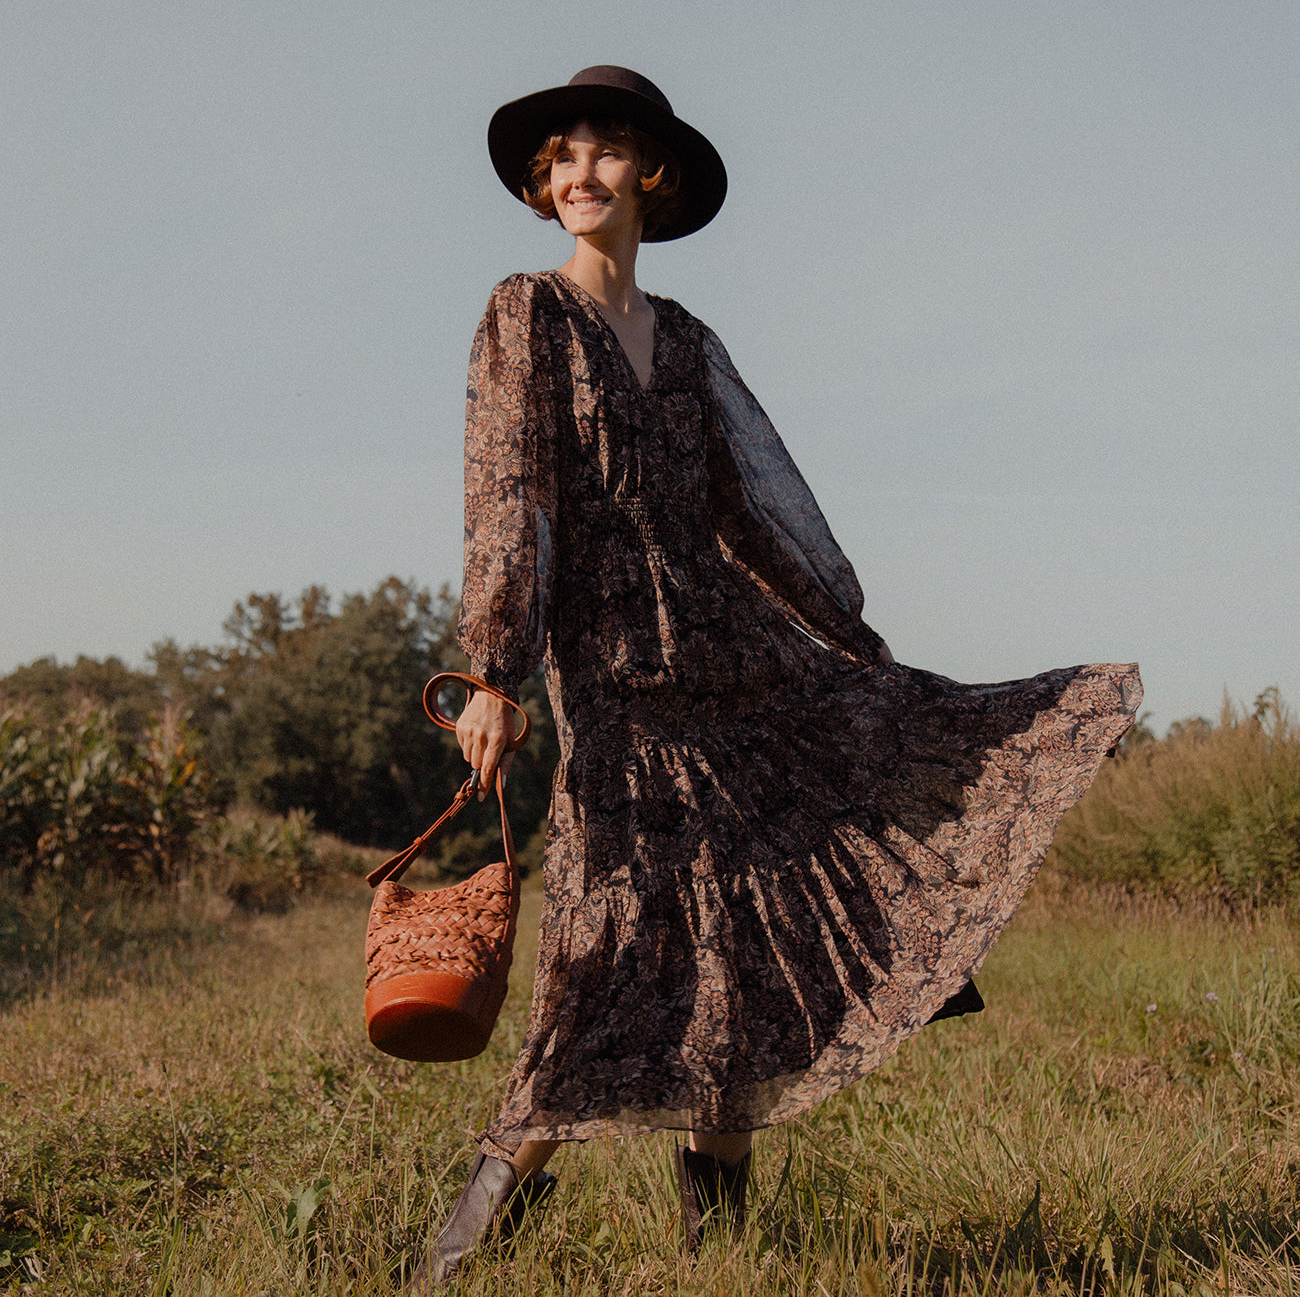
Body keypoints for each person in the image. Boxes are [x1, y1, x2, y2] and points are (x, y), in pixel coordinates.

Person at [408, 65, 1141, 1290]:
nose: (580, 173)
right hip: (622, 684)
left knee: (738, 977)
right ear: (545, 188)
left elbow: (758, 514)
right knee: (601, 958)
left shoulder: (688, 341)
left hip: (739, 670)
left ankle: (722, 1258)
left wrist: (855, 649)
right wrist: (494, 667)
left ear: (654, 172)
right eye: (562, 159)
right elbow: (509, 495)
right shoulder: (523, 313)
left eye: (605, 152)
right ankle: (450, 1261)